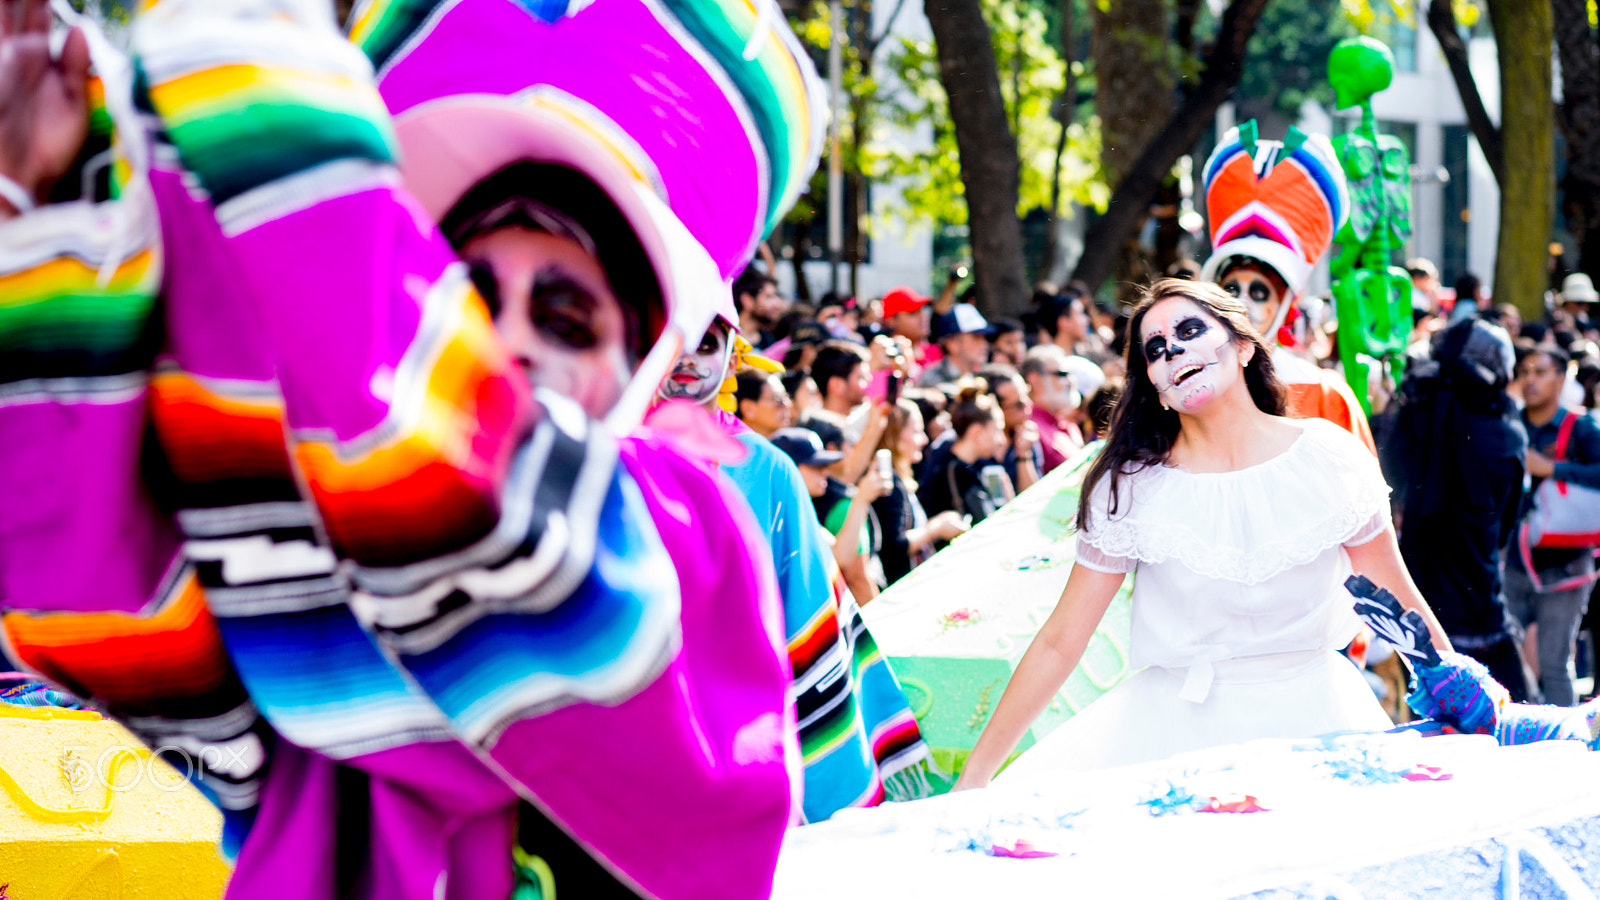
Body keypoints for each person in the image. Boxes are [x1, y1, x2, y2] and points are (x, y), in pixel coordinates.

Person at [0, 1, 809, 898]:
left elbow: (462, 492)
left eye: (565, 315)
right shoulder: (347, 557)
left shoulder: (684, 536)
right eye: (464, 297)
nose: (510, 341)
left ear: (641, 366)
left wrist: (238, 38)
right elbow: (103, 602)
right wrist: (57, 205)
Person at [954, 279, 1450, 787]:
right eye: (1155, 349)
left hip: (1322, 729)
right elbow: (1061, 641)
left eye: (1190, 330)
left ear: (1243, 345)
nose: (1175, 350)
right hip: (1173, 742)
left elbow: (1399, 599)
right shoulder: (1130, 486)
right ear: (1154, 386)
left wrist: (1467, 697)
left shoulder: (1329, 456)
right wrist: (975, 779)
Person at [656, 317, 936, 822]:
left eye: (705, 343)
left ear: (733, 358)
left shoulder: (766, 468)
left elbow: (805, 610)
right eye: (673, 337)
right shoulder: (597, 448)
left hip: (738, 722)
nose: (687, 360)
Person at [1387, 317, 1530, 700]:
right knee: (1511, 715)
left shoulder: (1413, 417)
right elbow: (1506, 523)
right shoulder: (1505, 432)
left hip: (1419, 602)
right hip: (1480, 598)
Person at [1505, 345, 1600, 706]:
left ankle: (1567, 748)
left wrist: (1553, 469)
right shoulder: (1511, 424)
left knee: (1555, 665)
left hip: (1567, 565)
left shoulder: (1582, 426)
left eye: (1540, 372)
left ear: (1560, 380)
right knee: (1509, 660)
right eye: (1524, 372)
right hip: (1515, 559)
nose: (1530, 380)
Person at [774, 427, 888, 601]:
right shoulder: (779, 515)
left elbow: (840, 554)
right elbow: (842, 560)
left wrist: (860, 501)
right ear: (790, 469)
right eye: (816, 466)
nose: (825, 472)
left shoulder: (795, 508)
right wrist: (860, 500)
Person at [871, 400, 969, 584]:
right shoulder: (888, 484)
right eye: (916, 432)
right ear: (894, 435)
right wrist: (936, 528)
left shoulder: (901, 477)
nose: (924, 439)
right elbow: (894, 546)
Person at [918, 382, 1015, 526]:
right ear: (977, 433)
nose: (1001, 440)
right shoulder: (953, 473)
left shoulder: (969, 466)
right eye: (997, 431)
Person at [978, 363, 1042, 494]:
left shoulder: (1025, 436)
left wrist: (1024, 455)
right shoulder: (971, 443)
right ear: (995, 408)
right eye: (1019, 404)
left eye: (1027, 396)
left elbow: (1032, 498)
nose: (1028, 406)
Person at [1021, 345, 1085, 472]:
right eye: (1061, 374)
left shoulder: (1069, 425)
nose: (1070, 381)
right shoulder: (1027, 427)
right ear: (1035, 380)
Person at [918, 305, 994, 388]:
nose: (984, 344)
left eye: (984, 338)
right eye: (976, 337)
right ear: (951, 343)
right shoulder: (932, 381)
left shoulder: (984, 376)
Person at [735, 265, 785, 349]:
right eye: (769, 297)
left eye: (776, 296)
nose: (777, 304)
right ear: (747, 300)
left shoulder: (769, 342)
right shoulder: (727, 338)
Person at [734, 369, 793, 438]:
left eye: (786, 397)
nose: (787, 404)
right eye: (778, 399)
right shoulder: (730, 447)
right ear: (748, 408)